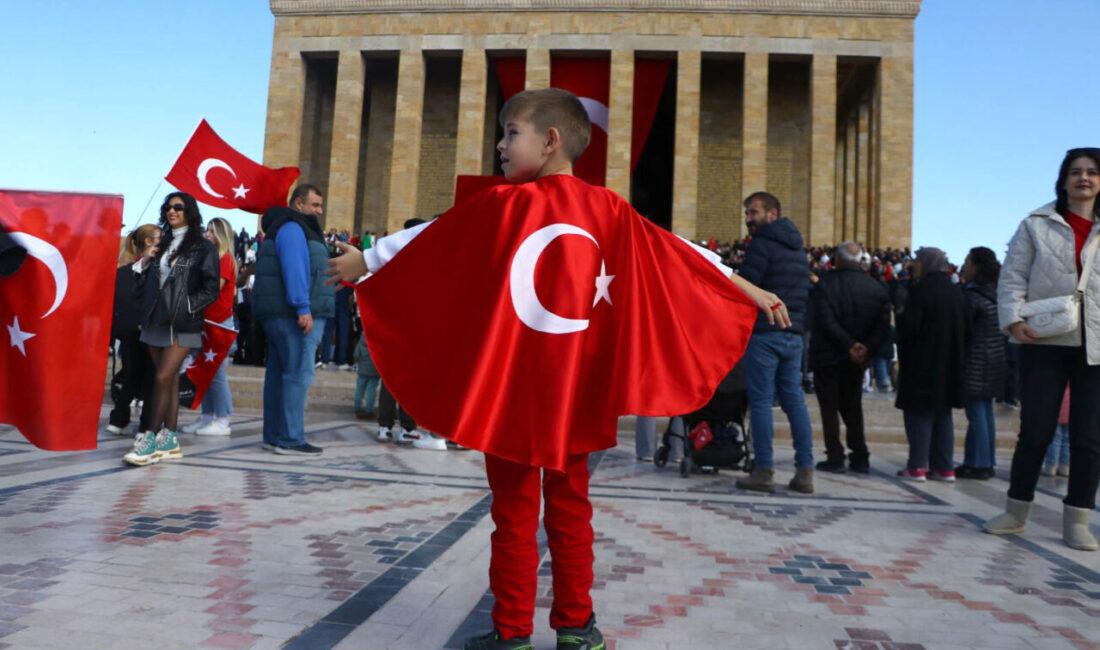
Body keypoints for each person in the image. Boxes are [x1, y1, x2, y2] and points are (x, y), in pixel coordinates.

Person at [325, 88, 788, 650]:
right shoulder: (609, 210)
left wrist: (368, 258)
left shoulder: (500, 206)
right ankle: (576, 628)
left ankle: (512, 632)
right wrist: (742, 286)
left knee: (513, 512)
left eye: (510, 133)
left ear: (549, 141)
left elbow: (434, 235)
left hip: (513, 389)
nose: (500, 145)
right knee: (571, 508)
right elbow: (677, 251)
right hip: (577, 391)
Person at [984, 148, 1100, 552]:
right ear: (1063, 180)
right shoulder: (1036, 224)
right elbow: (1013, 276)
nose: (1083, 178)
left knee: (1089, 438)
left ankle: (1078, 520)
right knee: (1035, 430)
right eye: (1075, 172)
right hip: (1044, 339)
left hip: (1095, 345)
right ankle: (1016, 512)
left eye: (1092, 172)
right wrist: (1014, 320)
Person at [123, 193, 219, 466]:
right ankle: (170, 440)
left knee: (163, 377)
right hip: (157, 320)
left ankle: (150, 439)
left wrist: (188, 305)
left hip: (184, 322)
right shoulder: (163, 243)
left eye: (178, 207)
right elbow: (143, 285)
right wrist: (145, 262)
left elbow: (211, 287)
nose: (172, 211)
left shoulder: (202, 246)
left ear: (189, 211)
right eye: (168, 207)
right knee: (170, 380)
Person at [734, 190, 815, 494]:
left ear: (772, 213)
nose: (748, 219)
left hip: (765, 332)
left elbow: (748, 287)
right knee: (794, 402)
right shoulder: (797, 247)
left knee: (761, 402)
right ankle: (805, 472)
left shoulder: (762, 243)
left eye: (753, 212)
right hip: (793, 334)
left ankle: (764, 470)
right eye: (747, 213)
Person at [253, 183, 335, 455]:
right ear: (298, 203)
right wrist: (302, 306)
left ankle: (274, 435)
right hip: (293, 315)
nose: (319, 211)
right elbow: (295, 267)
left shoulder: (287, 227)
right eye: (315, 205)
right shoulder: (293, 227)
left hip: (280, 313)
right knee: (299, 373)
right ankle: (290, 438)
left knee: (280, 375)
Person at [809, 241, 891, 474]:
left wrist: (848, 345)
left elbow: (825, 320)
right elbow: (883, 324)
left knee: (829, 409)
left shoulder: (825, 285)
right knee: (853, 407)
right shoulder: (876, 288)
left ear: (838, 259)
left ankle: (835, 455)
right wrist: (864, 348)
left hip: (828, 355)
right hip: (857, 359)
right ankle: (860, 456)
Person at [894, 247, 968, 482]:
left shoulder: (921, 290)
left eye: (917, 260)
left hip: (922, 364)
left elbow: (911, 328)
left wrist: (901, 315)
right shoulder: (956, 292)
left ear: (926, 263)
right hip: (950, 364)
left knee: (919, 413)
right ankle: (944, 467)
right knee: (943, 414)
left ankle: (917, 466)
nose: (913, 265)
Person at [181, 217, 238, 436]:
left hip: (219, 322)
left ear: (222, 235)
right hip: (205, 321)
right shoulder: (212, 257)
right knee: (204, 370)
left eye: (212, 231)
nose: (207, 234)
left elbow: (213, 288)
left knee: (216, 371)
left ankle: (223, 419)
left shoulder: (225, 259)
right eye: (207, 230)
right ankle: (207, 416)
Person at [956, 247, 1005, 480]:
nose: (964, 266)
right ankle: (982, 461)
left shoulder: (972, 296)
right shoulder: (997, 294)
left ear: (977, 267)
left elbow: (963, 330)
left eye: (967, 262)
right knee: (985, 412)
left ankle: (979, 464)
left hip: (975, 361)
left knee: (977, 413)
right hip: (994, 360)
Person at [106, 225, 158, 436]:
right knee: (144, 377)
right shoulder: (137, 271)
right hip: (143, 330)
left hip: (132, 330)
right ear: (148, 241)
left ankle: (121, 420)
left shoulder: (125, 271)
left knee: (133, 375)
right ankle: (141, 424)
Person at [1043, 384, 1071, 477]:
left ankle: (1051, 466)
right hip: (1070, 415)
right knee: (1067, 441)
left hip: (1056, 413)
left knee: (1054, 440)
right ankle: (1065, 467)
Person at [353, 334, 380, 419]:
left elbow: (356, 355)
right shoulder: (377, 343)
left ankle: (357, 409)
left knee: (359, 390)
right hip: (374, 371)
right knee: (371, 391)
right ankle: (369, 410)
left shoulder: (361, 342)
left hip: (362, 371)